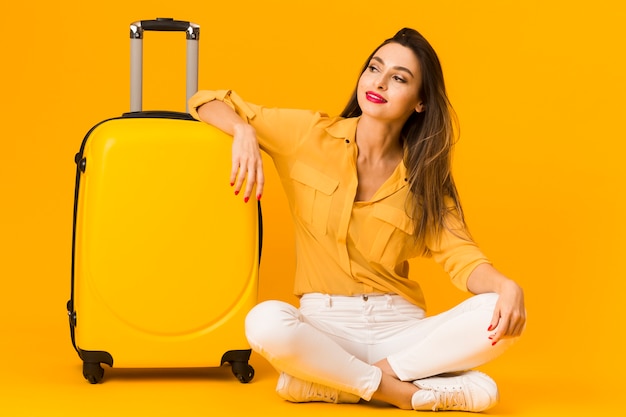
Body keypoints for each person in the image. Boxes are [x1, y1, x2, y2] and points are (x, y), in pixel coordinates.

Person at [189, 28, 526, 412]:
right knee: (264, 322)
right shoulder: (308, 136)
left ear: (420, 102)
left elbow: (464, 259)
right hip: (324, 330)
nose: (379, 82)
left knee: (501, 314)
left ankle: (339, 381)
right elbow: (205, 101)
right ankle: (401, 392)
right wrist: (243, 130)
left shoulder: (425, 179)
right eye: (374, 68)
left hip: (400, 332)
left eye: (399, 78)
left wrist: (505, 286)